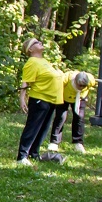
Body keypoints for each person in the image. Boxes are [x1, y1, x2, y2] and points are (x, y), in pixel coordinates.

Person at [16, 37, 65, 165]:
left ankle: (34, 153)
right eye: (36, 43)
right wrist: (22, 98)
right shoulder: (32, 62)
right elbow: (26, 81)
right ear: (30, 49)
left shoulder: (43, 61)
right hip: (40, 99)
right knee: (33, 127)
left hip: (51, 100)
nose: (40, 43)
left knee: (43, 129)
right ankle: (22, 156)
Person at [47, 70, 95, 154]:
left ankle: (78, 142)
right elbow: (56, 87)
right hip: (64, 97)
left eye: (84, 86)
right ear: (75, 81)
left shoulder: (91, 80)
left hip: (80, 98)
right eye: (80, 85)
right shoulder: (65, 79)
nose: (81, 88)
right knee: (61, 117)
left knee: (79, 117)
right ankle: (54, 142)